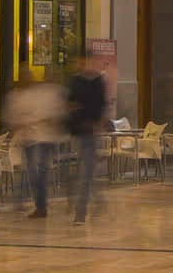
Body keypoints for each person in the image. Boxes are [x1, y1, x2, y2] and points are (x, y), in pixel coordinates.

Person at [7, 70, 70, 219]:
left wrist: (42, 121)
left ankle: (40, 204)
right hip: (31, 139)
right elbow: (15, 118)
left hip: (44, 138)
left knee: (39, 171)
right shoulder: (20, 95)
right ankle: (38, 203)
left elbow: (56, 115)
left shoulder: (46, 93)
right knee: (34, 171)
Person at [65, 52, 109, 223]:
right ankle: (98, 200)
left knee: (87, 170)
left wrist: (97, 123)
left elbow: (102, 106)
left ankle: (81, 209)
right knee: (83, 171)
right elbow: (70, 103)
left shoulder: (98, 82)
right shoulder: (75, 81)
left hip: (91, 132)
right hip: (78, 131)